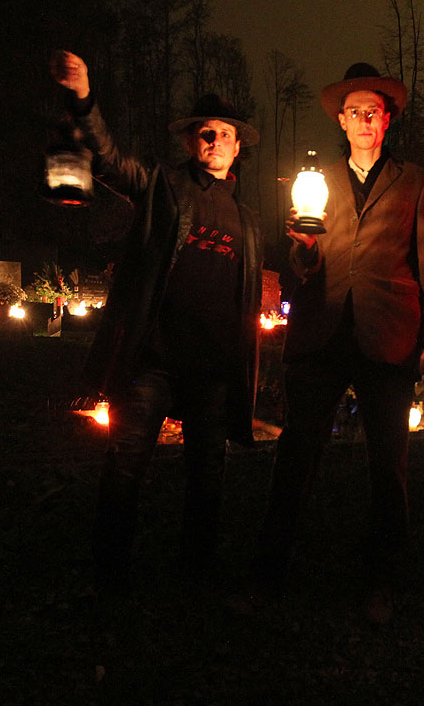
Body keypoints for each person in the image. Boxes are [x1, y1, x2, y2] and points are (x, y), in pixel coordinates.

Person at [49, 51, 264, 596]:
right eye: (204, 133)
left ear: (238, 146)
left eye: (223, 134)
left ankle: (195, 576)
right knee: (126, 468)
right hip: (155, 363)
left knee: (207, 480)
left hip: (212, 373)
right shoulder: (164, 187)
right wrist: (83, 98)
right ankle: (109, 574)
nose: (213, 141)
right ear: (193, 142)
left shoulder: (247, 220)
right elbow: (109, 160)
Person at [251, 63, 424, 623]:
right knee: (296, 455)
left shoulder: (416, 181)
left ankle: (383, 579)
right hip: (324, 329)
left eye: (374, 111)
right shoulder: (317, 184)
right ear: (342, 121)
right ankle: (269, 571)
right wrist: (304, 252)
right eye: (354, 112)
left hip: (389, 334)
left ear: (387, 120)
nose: (364, 121)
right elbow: (303, 265)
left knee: (389, 465)